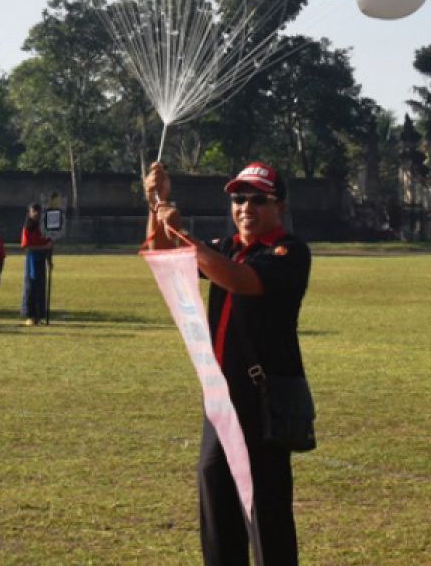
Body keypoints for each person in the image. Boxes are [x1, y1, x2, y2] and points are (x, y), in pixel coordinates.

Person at [146, 161, 312, 566]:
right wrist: (158, 205)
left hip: (261, 398)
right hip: (221, 396)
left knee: (264, 509)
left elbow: (240, 280)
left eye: (259, 199)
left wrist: (184, 234)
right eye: (238, 199)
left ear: (281, 207)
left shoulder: (288, 252)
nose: (245, 208)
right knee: (215, 493)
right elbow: (163, 254)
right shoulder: (227, 247)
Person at [20, 204, 53, 326]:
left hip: (41, 260)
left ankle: (39, 315)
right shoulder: (27, 228)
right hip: (31, 259)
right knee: (30, 287)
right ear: (29, 213)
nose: (37, 214)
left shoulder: (43, 228)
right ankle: (30, 315)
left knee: (40, 288)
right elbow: (26, 246)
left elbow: (48, 243)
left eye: (38, 211)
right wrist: (43, 247)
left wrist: (49, 258)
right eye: (34, 211)